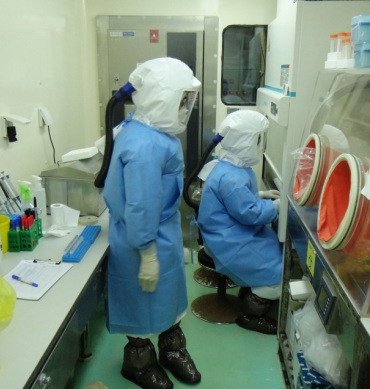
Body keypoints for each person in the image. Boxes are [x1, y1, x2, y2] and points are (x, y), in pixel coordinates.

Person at [103, 57, 201, 389]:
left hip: (162, 233)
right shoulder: (144, 144)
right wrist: (147, 253)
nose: (185, 108)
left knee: (168, 301)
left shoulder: (150, 130)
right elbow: (141, 206)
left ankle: (173, 350)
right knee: (143, 308)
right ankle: (139, 363)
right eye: (182, 100)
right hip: (142, 238)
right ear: (163, 98)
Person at [197, 110, 283, 335]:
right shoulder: (232, 177)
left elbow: (238, 203)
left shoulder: (229, 167)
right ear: (245, 141)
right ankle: (250, 315)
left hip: (229, 233)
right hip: (227, 242)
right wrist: (275, 207)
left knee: (270, 248)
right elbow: (249, 214)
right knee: (277, 272)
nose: (259, 144)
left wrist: (261, 197)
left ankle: (252, 292)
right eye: (257, 139)